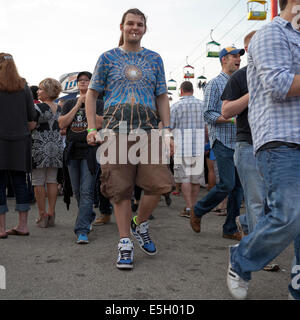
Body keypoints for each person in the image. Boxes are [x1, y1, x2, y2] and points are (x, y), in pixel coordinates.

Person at [85, 8, 174, 269]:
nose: (135, 28)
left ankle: (139, 222)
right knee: (120, 189)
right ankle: (125, 242)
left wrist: (167, 131)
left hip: (148, 130)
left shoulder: (155, 59)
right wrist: (92, 129)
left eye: (140, 24)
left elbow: (161, 96)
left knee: (159, 184)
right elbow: (92, 94)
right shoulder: (107, 58)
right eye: (131, 23)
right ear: (122, 26)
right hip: (115, 130)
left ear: (145, 29)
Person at [227, 0, 300, 300]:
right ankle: (241, 259)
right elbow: (279, 85)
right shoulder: (271, 33)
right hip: (281, 139)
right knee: (288, 215)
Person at [191, 46, 245, 241]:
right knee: (228, 183)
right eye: (234, 56)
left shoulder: (241, 81)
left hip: (241, 140)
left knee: (239, 188)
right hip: (222, 140)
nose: (238, 59)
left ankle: (230, 228)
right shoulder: (214, 84)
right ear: (223, 60)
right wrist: (231, 119)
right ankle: (198, 209)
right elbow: (208, 114)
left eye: (239, 56)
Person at [58, 71, 103, 243]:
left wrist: (88, 105)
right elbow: (61, 124)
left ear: (92, 83)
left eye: (87, 80)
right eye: (80, 80)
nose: (83, 82)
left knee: (86, 191)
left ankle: (82, 229)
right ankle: (89, 215)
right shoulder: (69, 102)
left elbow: (100, 123)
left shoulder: (98, 102)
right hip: (72, 150)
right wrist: (78, 105)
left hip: (91, 151)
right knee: (77, 190)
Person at [0, 53, 36, 238]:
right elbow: (32, 114)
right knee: (20, 182)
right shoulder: (24, 86)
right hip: (21, 140)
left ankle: (0, 229)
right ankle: (22, 226)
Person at [31, 78, 64, 228]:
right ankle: (52, 213)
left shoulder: (37, 108)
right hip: (56, 146)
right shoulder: (60, 108)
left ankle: (42, 215)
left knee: (38, 181)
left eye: (40, 89)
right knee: (52, 179)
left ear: (48, 91)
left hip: (39, 146)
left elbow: (31, 126)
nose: (38, 91)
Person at [170, 81, 205, 218]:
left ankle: (189, 207)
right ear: (192, 90)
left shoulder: (176, 106)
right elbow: (207, 127)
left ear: (181, 90)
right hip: (198, 146)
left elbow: (169, 127)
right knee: (195, 179)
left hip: (181, 147)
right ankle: (193, 206)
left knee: (184, 179)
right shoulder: (202, 105)